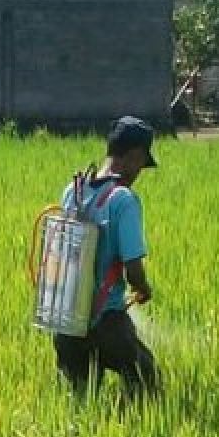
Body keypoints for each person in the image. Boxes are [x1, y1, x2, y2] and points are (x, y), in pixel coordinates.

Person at [52, 116, 160, 400]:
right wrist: (142, 288)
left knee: (81, 401)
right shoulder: (123, 200)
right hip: (105, 323)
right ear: (134, 156)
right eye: (140, 163)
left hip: (66, 322)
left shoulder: (71, 192)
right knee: (147, 381)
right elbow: (133, 270)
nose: (139, 172)